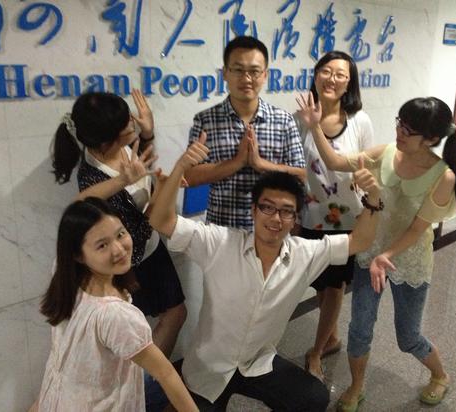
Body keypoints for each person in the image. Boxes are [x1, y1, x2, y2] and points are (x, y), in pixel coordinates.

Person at [148, 133, 385, 411]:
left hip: (258, 363)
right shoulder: (220, 243)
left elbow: (359, 241)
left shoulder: (305, 254)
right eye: (267, 208)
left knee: (314, 397)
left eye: (286, 211)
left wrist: (374, 198)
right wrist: (179, 169)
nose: (275, 218)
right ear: (254, 210)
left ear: (295, 219)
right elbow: (161, 220)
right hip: (209, 367)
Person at [296, 94, 456, 411]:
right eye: (400, 123)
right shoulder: (386, 153)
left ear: (431, 139)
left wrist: (385, 255)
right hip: (371, 253)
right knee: (359, 328)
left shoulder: (443, 176)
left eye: (408, 130)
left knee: (408, 336)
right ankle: (356, 386)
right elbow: (335, 162)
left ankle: (440, 375)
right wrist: (314, 126)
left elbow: (417, 229)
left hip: (409, 259)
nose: (399, 132)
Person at [51, 90, 186, 360]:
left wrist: (148, 134)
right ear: (105, 140)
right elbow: (133, 232)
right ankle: (147, 382)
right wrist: (162, 194)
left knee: (175, 313)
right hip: (130, 261)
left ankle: (153, 379)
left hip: (151, 248)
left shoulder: (125, 146)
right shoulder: (93, 179)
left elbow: (143, 165)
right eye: (126, 124)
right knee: (139, 334)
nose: (132, 123)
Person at [35, 197, 197, 412]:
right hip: (100, 404)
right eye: (102, 245)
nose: (119, 249)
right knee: (169, 387)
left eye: (120, 234)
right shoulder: (115, 315)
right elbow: (165, 373)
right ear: (79, 255)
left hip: (60, 398)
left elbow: (79, 205)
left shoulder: (65, 278)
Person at [293, 51, 374, 382]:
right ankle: (332, 337)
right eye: (326, 71)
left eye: (341, 74)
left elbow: (367, 164)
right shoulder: (298, 119)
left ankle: (316, 351)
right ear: (315, 76)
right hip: (310, 215)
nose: (332, 78)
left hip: (347, 220)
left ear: (349, 83)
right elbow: (293, 166)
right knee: (320, 284)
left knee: (335, 285)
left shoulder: (359, 121)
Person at [184, 35, 306, 230]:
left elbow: (302, 176)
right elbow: (188, 177)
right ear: (225, 73)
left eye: (254, 71)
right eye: (238, 70)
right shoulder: (205, 120)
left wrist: (261, 164)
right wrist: (237, 162)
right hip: (221, 231)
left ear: (265, 75)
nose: (246, 79)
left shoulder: (284, 121)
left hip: (271, 231)